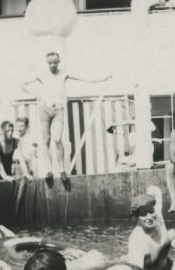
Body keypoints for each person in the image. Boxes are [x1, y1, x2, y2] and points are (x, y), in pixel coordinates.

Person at [22, 52, 111, 188]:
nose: (52, 65)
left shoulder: (64, 73)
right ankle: (49, 170)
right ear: (47, 63)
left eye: (55, 62)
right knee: (46, 140)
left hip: (58, 109)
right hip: (44, 110)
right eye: (50, 63)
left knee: (57, 139)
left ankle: (62, 169)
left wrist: (103, 78)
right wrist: (36, 95)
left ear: (59, 62)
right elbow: (22, 83)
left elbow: (84, 78)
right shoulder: (41, 74)